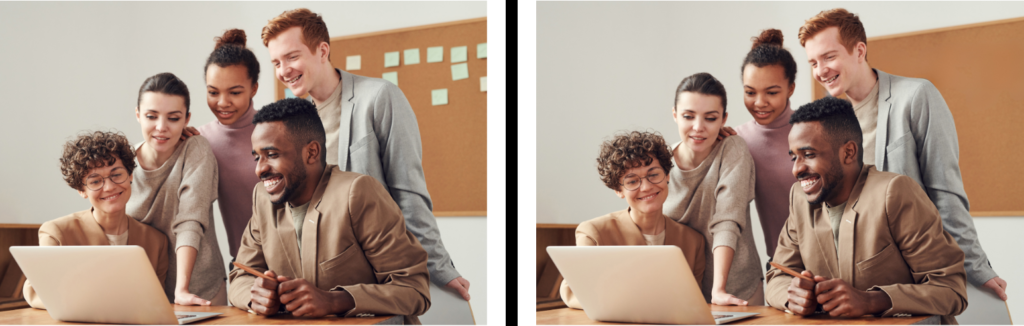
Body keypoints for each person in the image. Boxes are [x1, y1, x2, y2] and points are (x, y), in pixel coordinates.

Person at [260, 8, 470, 300]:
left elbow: (408, 192)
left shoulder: (379, 97)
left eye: (292, 57)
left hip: (377, 278)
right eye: (276, 62)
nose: (283, 71)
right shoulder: (292, 122)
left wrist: (439, 268)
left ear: (322, 50)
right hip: (316, 281)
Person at [798, 8, 1006, 301]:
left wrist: (977, 268)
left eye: (829, 57)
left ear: (859, 51)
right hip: (854, 286)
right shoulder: (828, 124)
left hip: (914, 280)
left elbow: (945, 192)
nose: (820, 71)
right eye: (813, 63)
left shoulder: (916, 97)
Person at [766, 96, 967, 324]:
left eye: (809, 155)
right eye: (794, 157)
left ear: (849, 152)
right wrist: (793, 296)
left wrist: (871, 301)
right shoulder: (799, 199)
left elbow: (951, 290)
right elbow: (777, 275)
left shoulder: (894, 193)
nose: (796, 169)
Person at [228, 98, 430, 324]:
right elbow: (240, 275)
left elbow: (414, 290)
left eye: (272, 155)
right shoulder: (263, 199)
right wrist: (256, 297)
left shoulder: (357, 194)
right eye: (257, 157)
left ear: (312, 152)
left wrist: (334, 301)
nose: (259, 169)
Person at [559, 130, 706, 309]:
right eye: (632, 181)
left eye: (653, 174)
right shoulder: (594, 233)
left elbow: (692, 303)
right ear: (618, 190)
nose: (646, 187)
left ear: (667, 175)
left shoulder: (693, 242)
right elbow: (573, 292)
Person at [24, 131, 169, 309]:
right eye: (95, 181)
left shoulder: (156, 242)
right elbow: (37, 292)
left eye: (116, 174)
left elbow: (156, 304)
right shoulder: (57, 233)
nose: (109, 187)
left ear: (130, 175)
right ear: (81, 190)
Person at [125, 72, 225, 305]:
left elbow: (190, 219)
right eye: (151, 116)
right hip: (144, 292)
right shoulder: (123, 161)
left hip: (198, 289)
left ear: (186, 119)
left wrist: (182, 289)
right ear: (138, 115)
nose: (161, 128)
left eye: (173, 118)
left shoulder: (195, 149)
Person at [664, 72, 762, 305]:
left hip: (736, 290)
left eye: (710, 118)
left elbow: (727, 218)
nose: (698, 127)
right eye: (689, 116)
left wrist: (718, 289)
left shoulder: (732, 149)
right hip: (681, 292)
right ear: (675, 115)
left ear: (723, 119)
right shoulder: (660, 161)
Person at [193, 28, 263, 264]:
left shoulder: (277, 129)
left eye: (234, 92)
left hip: (299, 260)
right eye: (213, 92)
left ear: (254, 88)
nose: (222, 103)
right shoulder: (200, 140)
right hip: (246, 265)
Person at [734, 29, 800, 263]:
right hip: (783, 266)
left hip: (834, 261)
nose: (759, 103)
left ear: (791, 88)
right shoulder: (737, 140)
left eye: (771, 92)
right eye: (750, 92)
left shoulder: (813, 130)